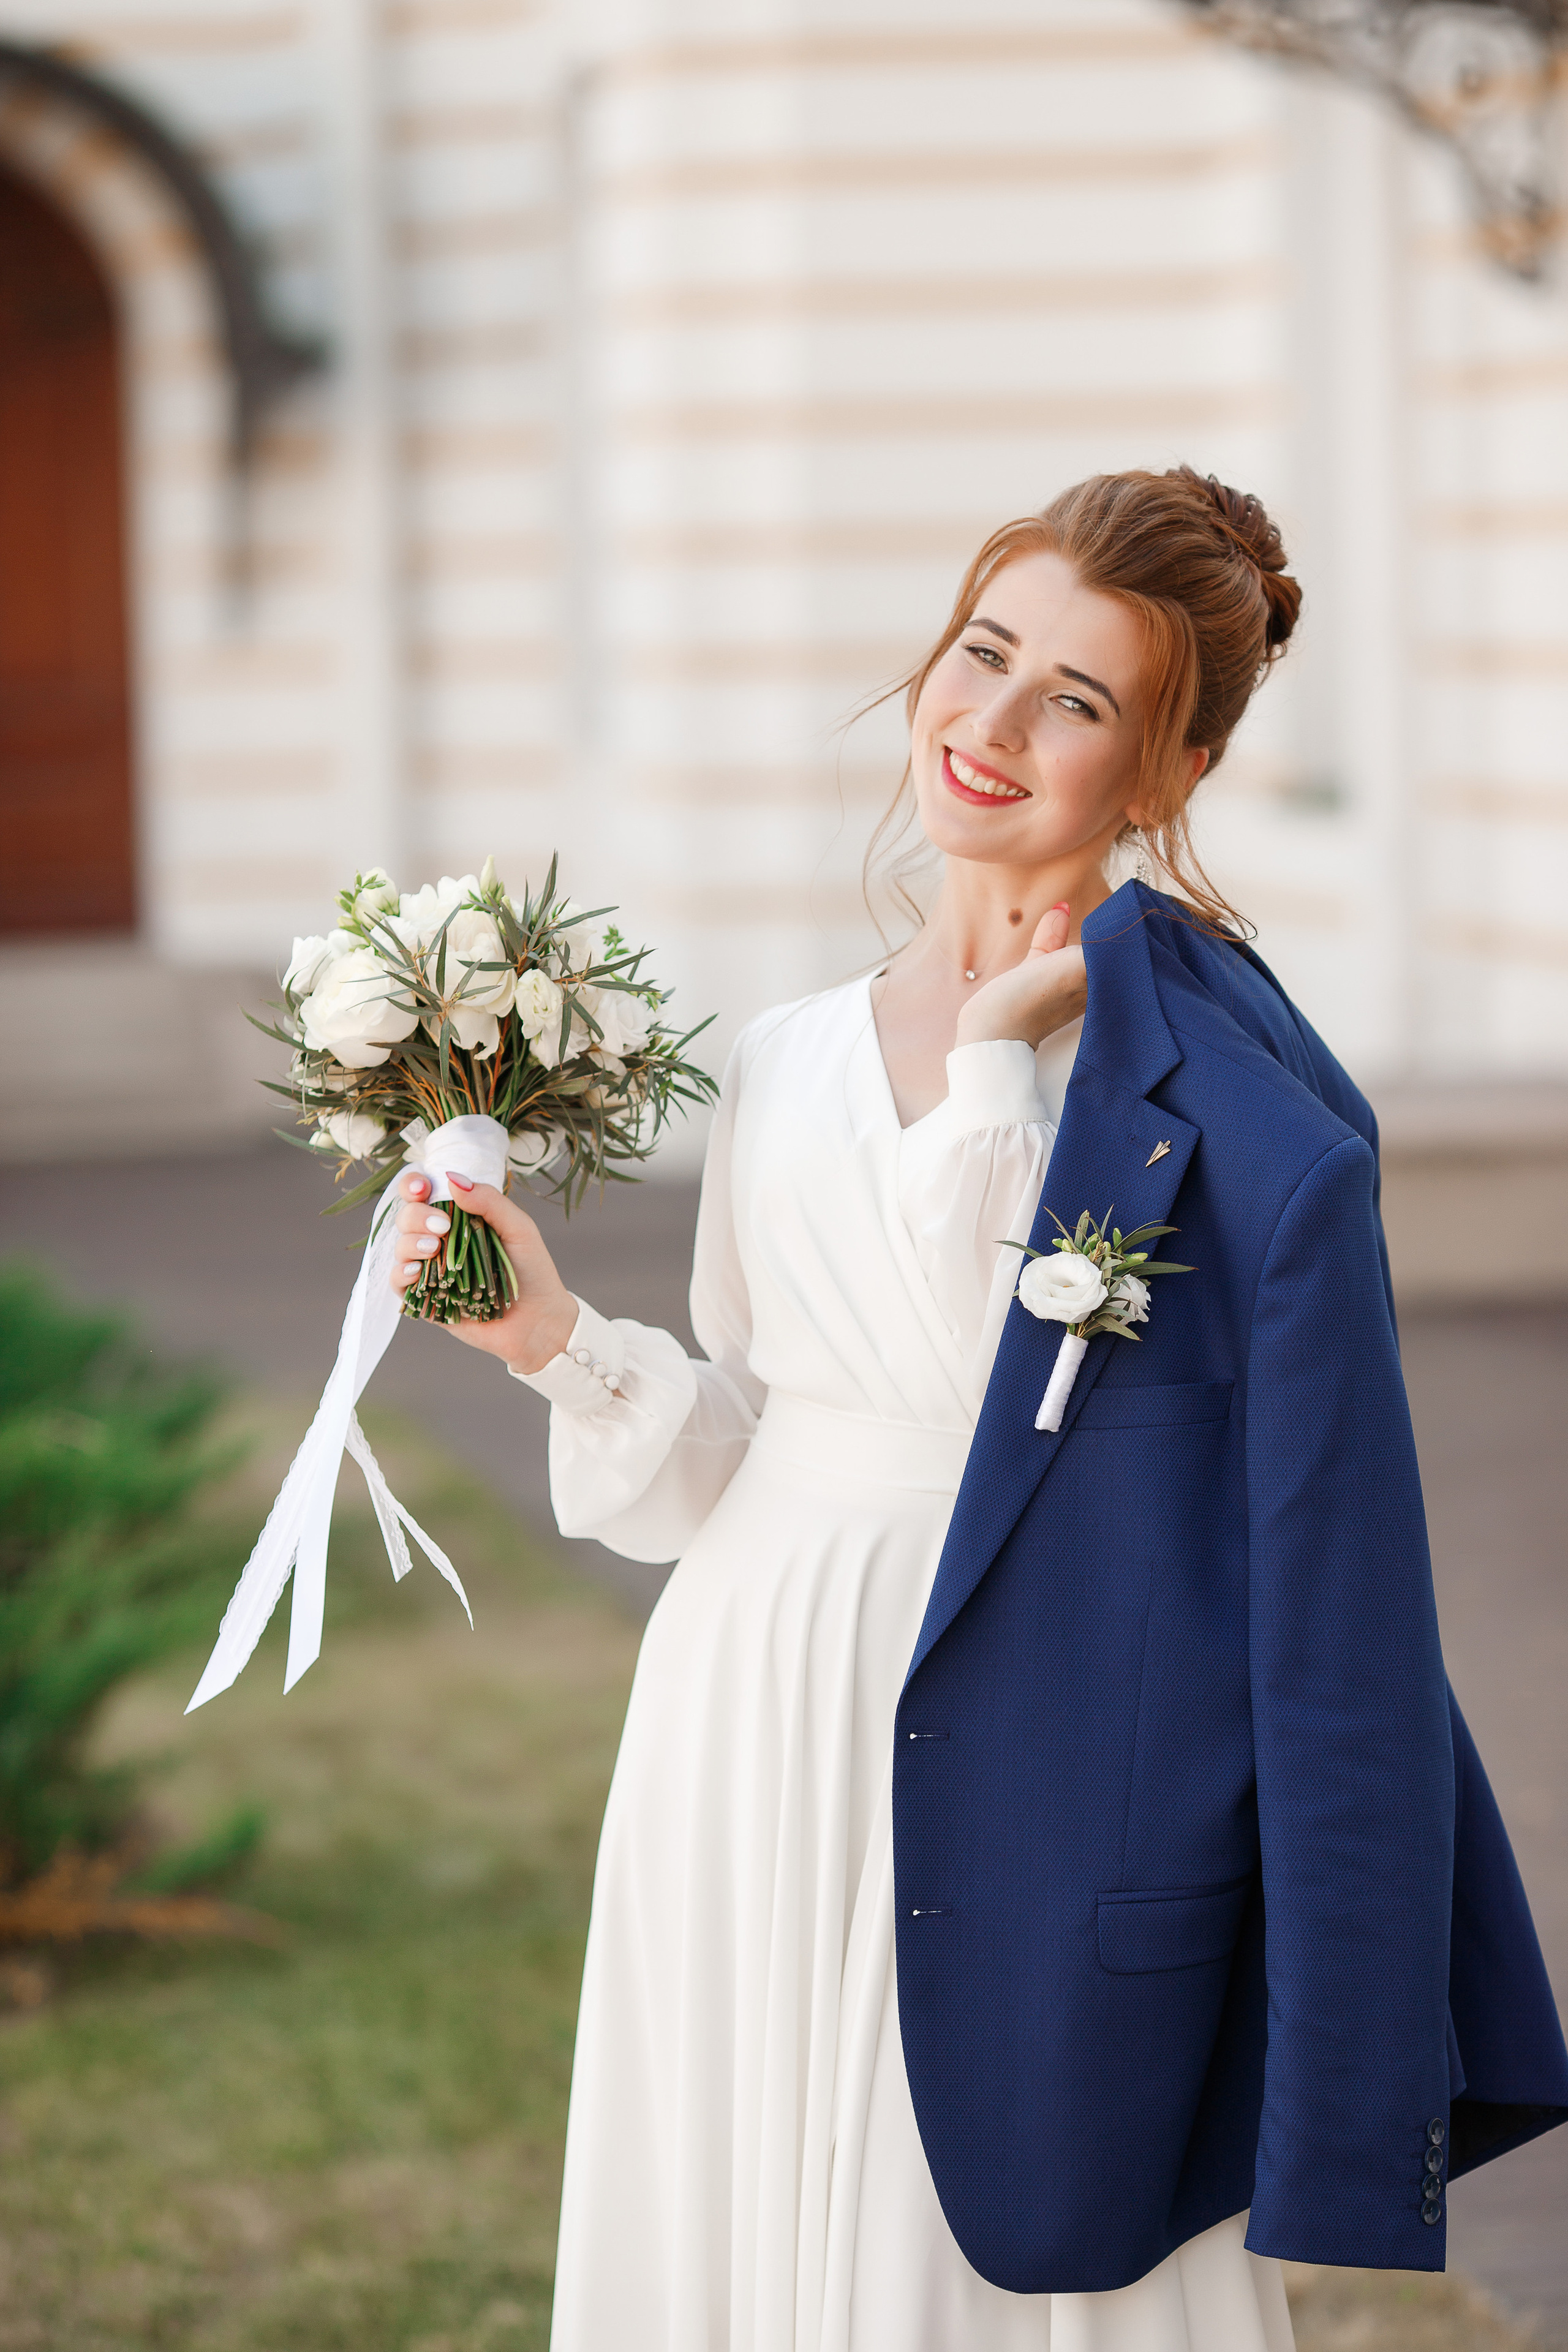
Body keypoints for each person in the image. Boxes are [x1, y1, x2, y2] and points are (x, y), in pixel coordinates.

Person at [390, 468, 1568, 2352]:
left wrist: (1016, 1061)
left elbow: (1324, 1579)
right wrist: (545, 1334)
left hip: (1042, 1768)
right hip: (746, 1719)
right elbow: (759, 1443)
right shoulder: (781, 1056)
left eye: (1077, 702)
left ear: (1165, 775)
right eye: (983, 654)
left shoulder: (1231, 1105)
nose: (994, 726)